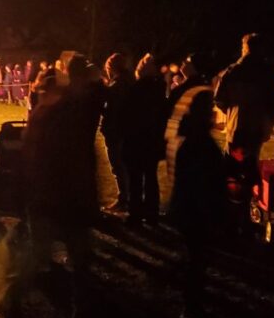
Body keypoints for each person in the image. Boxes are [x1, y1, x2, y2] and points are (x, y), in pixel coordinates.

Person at [25, 55, 104, 289]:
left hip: (61, 185)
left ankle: (30, 283)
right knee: (58, 242)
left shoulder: (71, 105)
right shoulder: (70, 105)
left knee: (63, 242)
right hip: (65, 185)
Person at [169, 89, 226, 318]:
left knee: (195, 258)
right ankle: (192, 307)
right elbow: (202, 180)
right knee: (196, 259)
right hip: (196, 211)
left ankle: (193, 302)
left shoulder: (190, 137)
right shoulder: (199, 142)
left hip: (189, 208)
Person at [213, 33, 274, 205]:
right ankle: (248, 201)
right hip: (256, 128)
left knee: (232, 166)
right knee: (251, 163)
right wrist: (267, 117)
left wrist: (232, 111)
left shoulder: (232, 71)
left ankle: (231, 202)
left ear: (244, 48)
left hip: (236, 127)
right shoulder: (267, 73)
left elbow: (219, 99)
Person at [122, 54, 167, 225]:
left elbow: (127, 115)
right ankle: (151, 213)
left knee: (135, 179)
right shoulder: (158, 90)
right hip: (152, 140)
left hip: (136, 139)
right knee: (150, 177)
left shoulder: (136, 89)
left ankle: (135, 213)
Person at [102, 53, 134, 213]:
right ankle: (128, 198)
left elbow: (111, 109)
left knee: (118, 166)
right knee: (125, 166)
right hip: (125, 129)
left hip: (116, 130)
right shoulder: (129, 82)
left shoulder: (118, 85)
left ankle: (124, 199)